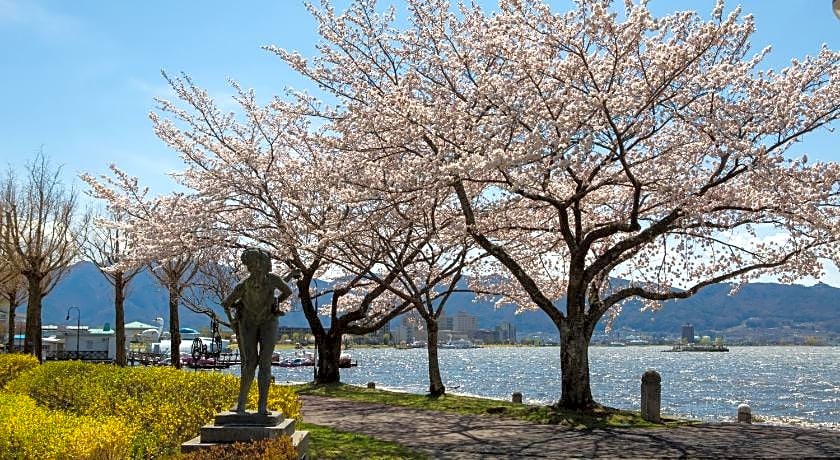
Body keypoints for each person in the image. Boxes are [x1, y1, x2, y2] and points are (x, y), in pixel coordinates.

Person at [222, 248, 298, 414]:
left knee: (265, 362)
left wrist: (275, 303)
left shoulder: (272, 280)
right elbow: (226, 303)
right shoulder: (243, 285)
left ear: (263, 264)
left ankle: (262, 406)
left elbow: (287, 290)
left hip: (268, 322)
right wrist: (234, 319)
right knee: (250, 362)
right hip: (248, 323)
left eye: (257, 263)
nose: (254, 267)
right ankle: (241, 404)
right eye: (250, 264)